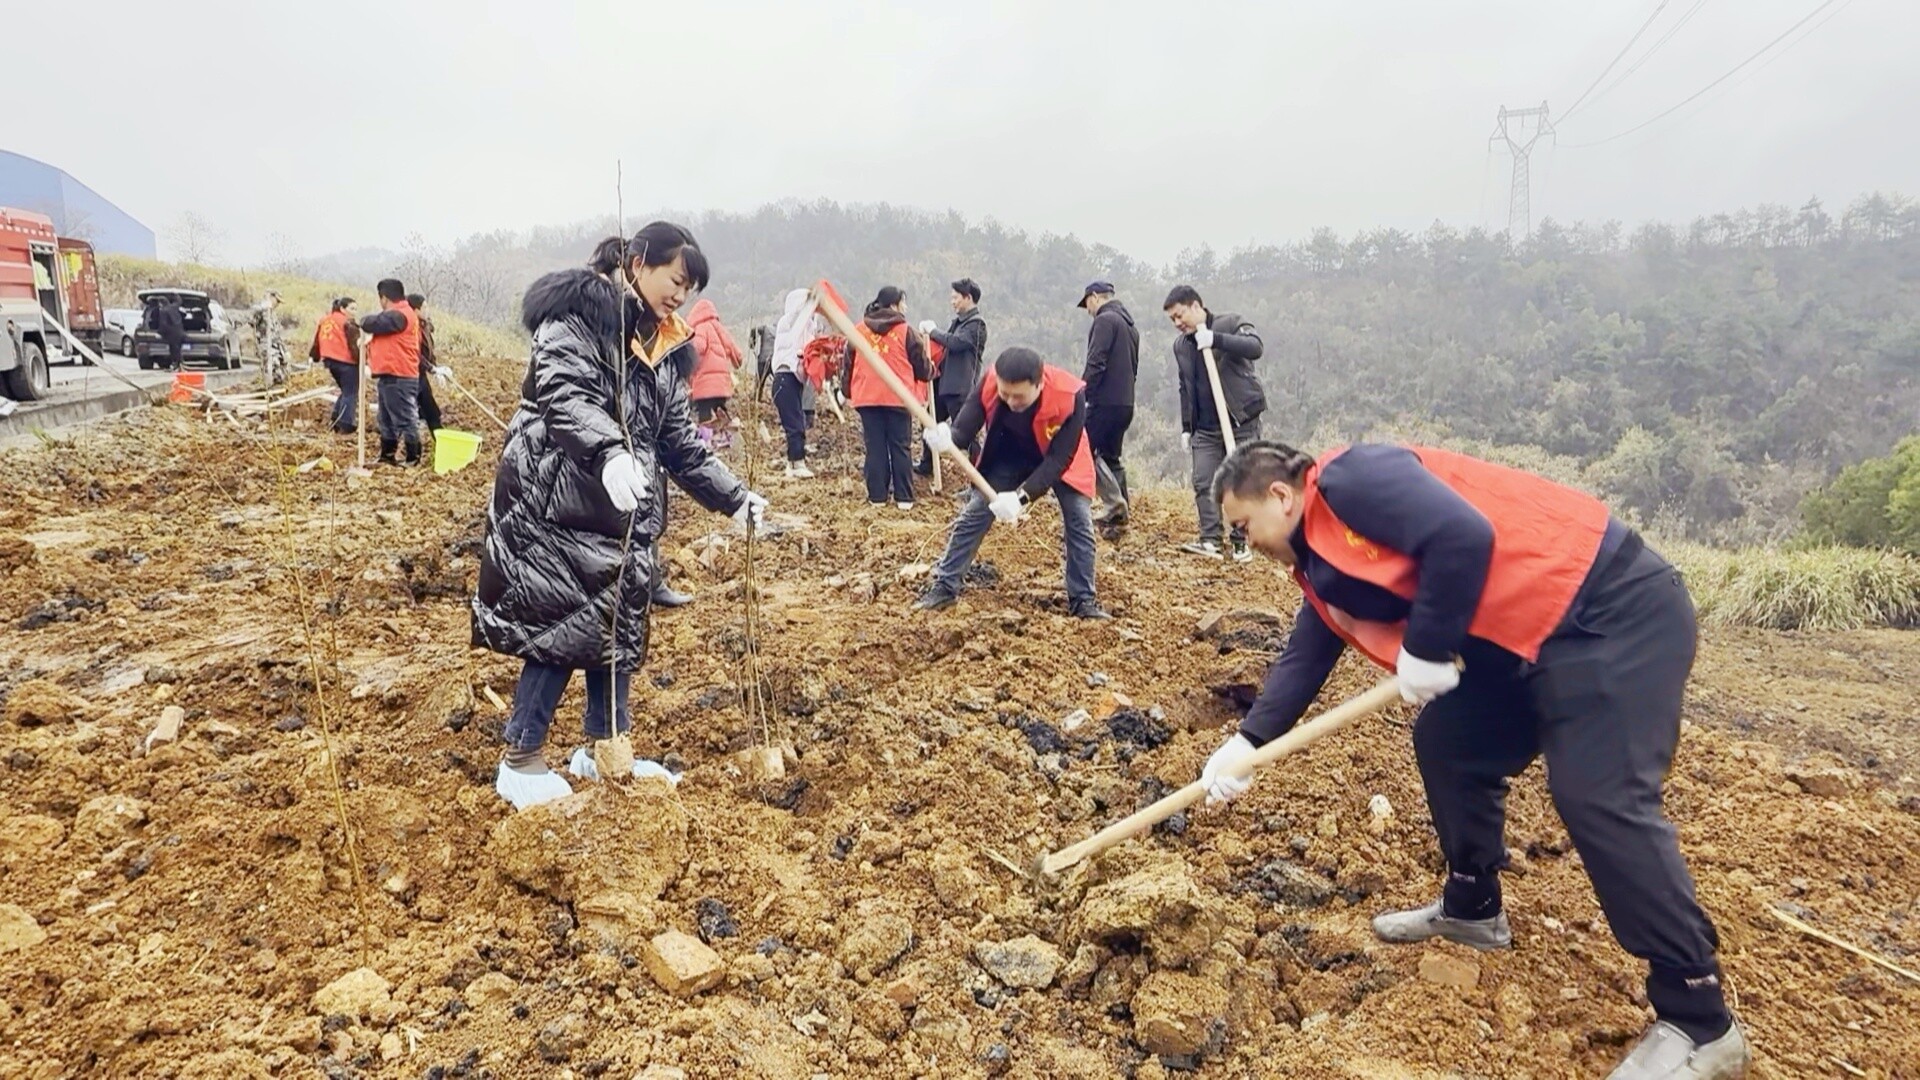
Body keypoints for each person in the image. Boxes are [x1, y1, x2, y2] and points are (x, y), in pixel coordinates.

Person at [1198, 441, 1749, 1080]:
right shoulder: (1319, 565)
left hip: (1607, 612)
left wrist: (1428, 646)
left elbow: (1462, 534)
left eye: (1243, 526)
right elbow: (1307, 654)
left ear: (1280, 495)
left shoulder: (1351, 480)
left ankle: (1700, 1019)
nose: (1245, 543)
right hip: (1525, 643)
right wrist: (1248, 743)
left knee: (1598, 796)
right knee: (1450, 741)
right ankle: (1473, 907)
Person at [471, 222, 767, 810]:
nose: (680, 295)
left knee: (612, 629)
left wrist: (734, 497)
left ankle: (606, 750)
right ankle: (521, 759)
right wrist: (607, 452)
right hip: (557, 499)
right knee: (559, 626)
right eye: (674, 280)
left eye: (689, 288)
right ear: (637, 263)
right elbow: (565, 394)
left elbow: (679, 442)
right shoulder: (578, 318)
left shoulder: (663, 346)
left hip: (621, 510)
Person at [913, 347, 1110, 620]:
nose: (1010, 401)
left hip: (1061, 456)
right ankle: (945, 586)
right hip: (1010, 453)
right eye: (1005, 394)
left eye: (1019, 396)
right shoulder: (991, 382)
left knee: (1079, 520)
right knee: (975, 512)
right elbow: (964, 428)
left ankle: (1083, 600)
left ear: (1039, 385)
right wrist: (947, 438)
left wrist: (1021, 498)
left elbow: (1058, 461)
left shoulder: (1069, 396)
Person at [1165, 285, 1266, 561]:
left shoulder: (1230, 323)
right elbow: (1185, 387)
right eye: (1172, 319)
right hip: (1205, 428)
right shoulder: (1181, 346)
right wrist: (1187, 426)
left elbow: (1255, 347)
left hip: (1240, 422)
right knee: (1204, 480)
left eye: (1180, 315)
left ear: (1196, 306)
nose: (1177, 323)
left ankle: (1241, 541)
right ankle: (1210, 539)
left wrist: (1216, 340)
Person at [842, 286, 930, 510]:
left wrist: (846, 391)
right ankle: (904, 498)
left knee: (875, 447)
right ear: (894, 305)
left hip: (867, 397)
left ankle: (877, 497)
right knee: (900, 447)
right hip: (898, 397)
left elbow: (848, 365)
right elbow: (921, 366)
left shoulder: (858, 330)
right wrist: (930, 371)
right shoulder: (906, 332)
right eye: (903, 302)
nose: (905, 307)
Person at [1078, 281, 1140, 526]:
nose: (1088, 310)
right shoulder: (1130, 326)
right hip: (1125, 402)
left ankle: (1113, 504)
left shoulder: (1104, 321)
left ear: (1094, 297)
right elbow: (1134, 368)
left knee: (1083, 448)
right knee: (1111, 457)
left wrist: (1082, 394)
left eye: (1087, 304)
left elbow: (1096, 362)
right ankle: (1121, 512)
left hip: (1104, 402)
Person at [916, 277, 987, 476]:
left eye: (956, 298)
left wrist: (934, 331)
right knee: (929, 422)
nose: (952, 302)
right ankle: (927, 464)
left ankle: (979, 473)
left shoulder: (977, 325)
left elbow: (956, 343)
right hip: (943, 385)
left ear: (968, 298)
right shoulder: (958, 323)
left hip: (960, 388)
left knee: (965, 432)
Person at [358, 279, 423, 466]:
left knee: (405, 418)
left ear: (384, 298)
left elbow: (371, 323)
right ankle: (387, 456)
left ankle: (413, 458)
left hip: (400, 375)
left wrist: (363, 322)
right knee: (386, 419)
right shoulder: (400, 314)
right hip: (389, 374)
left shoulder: (399, 315)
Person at [769, 288, 822, 478]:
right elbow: (800, 323)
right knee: (795, 424)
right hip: (786, 378)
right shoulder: (790, 322)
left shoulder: (806, 326)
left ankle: (794, 463)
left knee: (797, 422)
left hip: (792, 380)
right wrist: (812, 300)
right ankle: (796, 463)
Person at [686, 298, 745, 449]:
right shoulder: (719, 328)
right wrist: (737, 362)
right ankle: (728, 439)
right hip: (722, 383)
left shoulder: (700, 328)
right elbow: (734, 350)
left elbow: (698, 348)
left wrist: (687, 364)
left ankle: (706, 443)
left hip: (704, 384)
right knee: (721, 410)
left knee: (704, 414)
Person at [309, 297, 362, 434]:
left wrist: (314, 356)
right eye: (352, 309)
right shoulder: (347, 323)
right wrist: (363, 361)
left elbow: (317, 340)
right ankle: (346, 424)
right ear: (342, 309)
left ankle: (336, 419)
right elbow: (354, 345)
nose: (354, 312)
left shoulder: (325, 320)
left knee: (345, 391)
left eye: (356, 309)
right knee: (351, 392)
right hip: (346, 361)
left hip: (329, 361)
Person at [408, 293, 449, 433]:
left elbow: (427, 349)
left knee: (431, 411)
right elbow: (415, 353)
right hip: (409, 374)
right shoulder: (411, 328)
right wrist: (431, 369)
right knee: (408, 413)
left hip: (420, 375)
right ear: (415, 310)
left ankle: (440, 439)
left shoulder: (424, 325)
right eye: (424, 307)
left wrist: (436, 368)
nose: (427, 310)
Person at [155, 296, 187, 372]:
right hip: (180, 332)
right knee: (177, 350)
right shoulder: (174, 307)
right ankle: (179, 366)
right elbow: (179, 301)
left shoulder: (163, 311)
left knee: (174, 351)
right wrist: (175, 294)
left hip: (172, 334)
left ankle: (176, 366)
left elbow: (163, 324)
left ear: (161, 303)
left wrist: (159, 333)